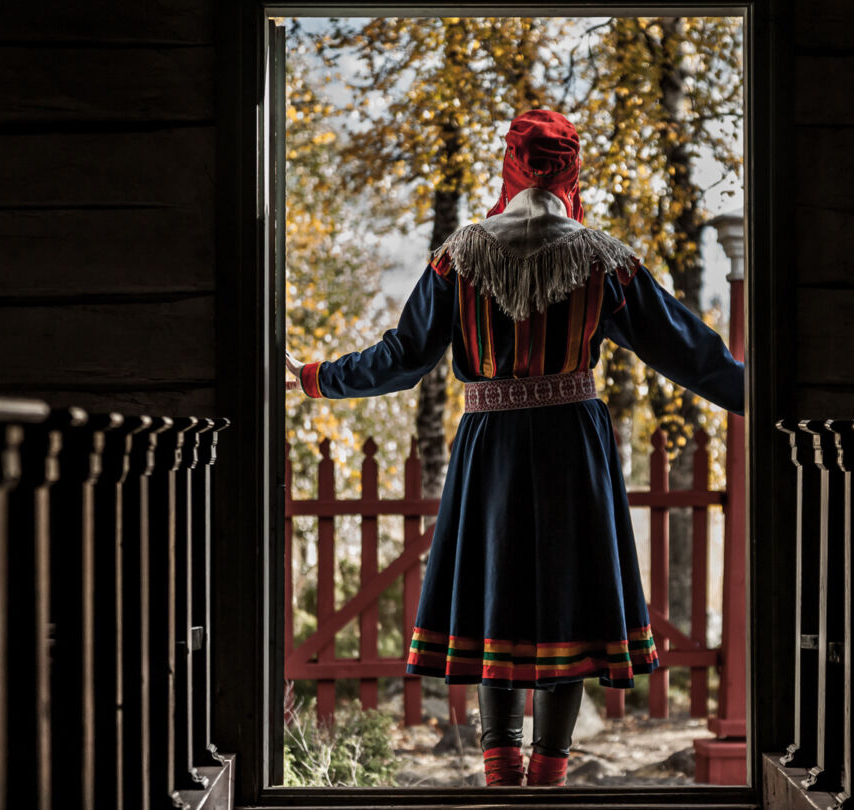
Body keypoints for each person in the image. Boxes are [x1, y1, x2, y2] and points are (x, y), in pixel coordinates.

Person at [286, 109, 745, 787]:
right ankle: (548, 780)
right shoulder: (602, 258)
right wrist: (766, 397)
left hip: (489, 446)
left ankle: (500, 774)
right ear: (571, 170)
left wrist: (315, 379)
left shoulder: (461, 256)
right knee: (571, 599)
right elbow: (689, 350)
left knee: (493, 592)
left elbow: (404, 357)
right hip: (573, 446)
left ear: (511, 163)